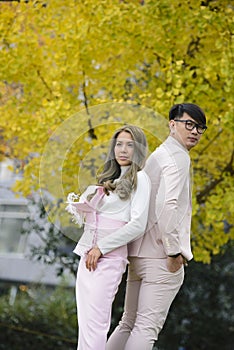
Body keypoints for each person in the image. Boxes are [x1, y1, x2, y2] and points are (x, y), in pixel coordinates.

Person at [106, 103, 207, 350]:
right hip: (161, 256)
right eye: (189, 124)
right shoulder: (178, 157)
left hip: (138, 254)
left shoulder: (159, 154)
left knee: (127, 323)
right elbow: (167, 204)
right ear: (172, 124)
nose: (194, 131)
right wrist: (174, 251)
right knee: (146, 327)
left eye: (200, 128)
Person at [65, 125, 151, 350]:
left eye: (130, 145)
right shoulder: (109, 180)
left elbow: (138, 225)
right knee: (85, 324)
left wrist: (101, 247)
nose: (123, 150)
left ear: (139, 149)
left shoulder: (141, 179)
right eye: (119, 144)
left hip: (108, 257)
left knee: (96, 323)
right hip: (88, 255)